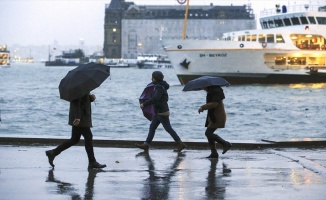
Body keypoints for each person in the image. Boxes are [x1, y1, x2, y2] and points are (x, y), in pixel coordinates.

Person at [45, 93, 106, 169]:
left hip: (81, 116)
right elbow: (76, 101)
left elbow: (83, 99)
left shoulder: (81, 86)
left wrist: (91, 98)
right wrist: (77, 117)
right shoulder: (79, 88)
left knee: (74, 139)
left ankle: (53, 153)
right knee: (88, 137)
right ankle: (92, 162)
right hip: (80, 118)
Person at [136, 71, 187, 152]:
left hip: (161, 112)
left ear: (155, 78)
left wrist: (144, 104)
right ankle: (146, 144)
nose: (151, 79)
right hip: (159, 111)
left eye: (152, 77)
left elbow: (155, 99)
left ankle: (180, 144)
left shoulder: (159, 87)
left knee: (168, 129)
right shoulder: (160, 86)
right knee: (152, 127)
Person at [198, 86, 232, 158]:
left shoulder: (215, 92)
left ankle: (225, 144)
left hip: (217, 116)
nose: (203, 89)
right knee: (209, 133)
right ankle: (214, 153)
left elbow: (214, 104)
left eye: (204, 87)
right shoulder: (212, 92)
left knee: (208, 133)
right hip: (213, 116)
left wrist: (202, 107)